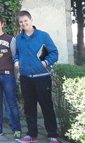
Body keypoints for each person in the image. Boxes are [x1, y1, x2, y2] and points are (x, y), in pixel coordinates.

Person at [14, 11, 59, 143]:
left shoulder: (43, 36)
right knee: (29, 107)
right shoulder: (18, 38)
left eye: (25, 21)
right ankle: (32, 135)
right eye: (21, 22)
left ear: (31, 20)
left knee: (47, 107)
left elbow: (54, 53)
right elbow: (17, 53)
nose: (23, 24)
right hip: (26, 77)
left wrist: (45, 62)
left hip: (42, 77)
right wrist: (16, 61)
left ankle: (52, 135)